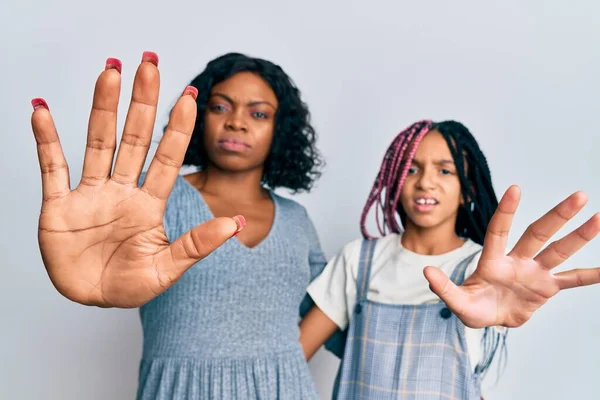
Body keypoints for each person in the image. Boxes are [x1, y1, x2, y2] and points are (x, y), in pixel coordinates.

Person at [30, 51, 333, 399]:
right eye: (220, 107)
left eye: (259, 113)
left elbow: (331, 301)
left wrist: (283, 362)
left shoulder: (296, 220)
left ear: (281, 130)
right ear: (200, 116)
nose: (236, 122)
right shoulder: (146, 201)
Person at [298, 120, 600, 399]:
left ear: (467, 189)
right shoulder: (359, 260)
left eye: (445, 170)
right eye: (412, 169)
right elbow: (294, 357)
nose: (426, 182)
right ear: (395, 180)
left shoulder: (485, 269)